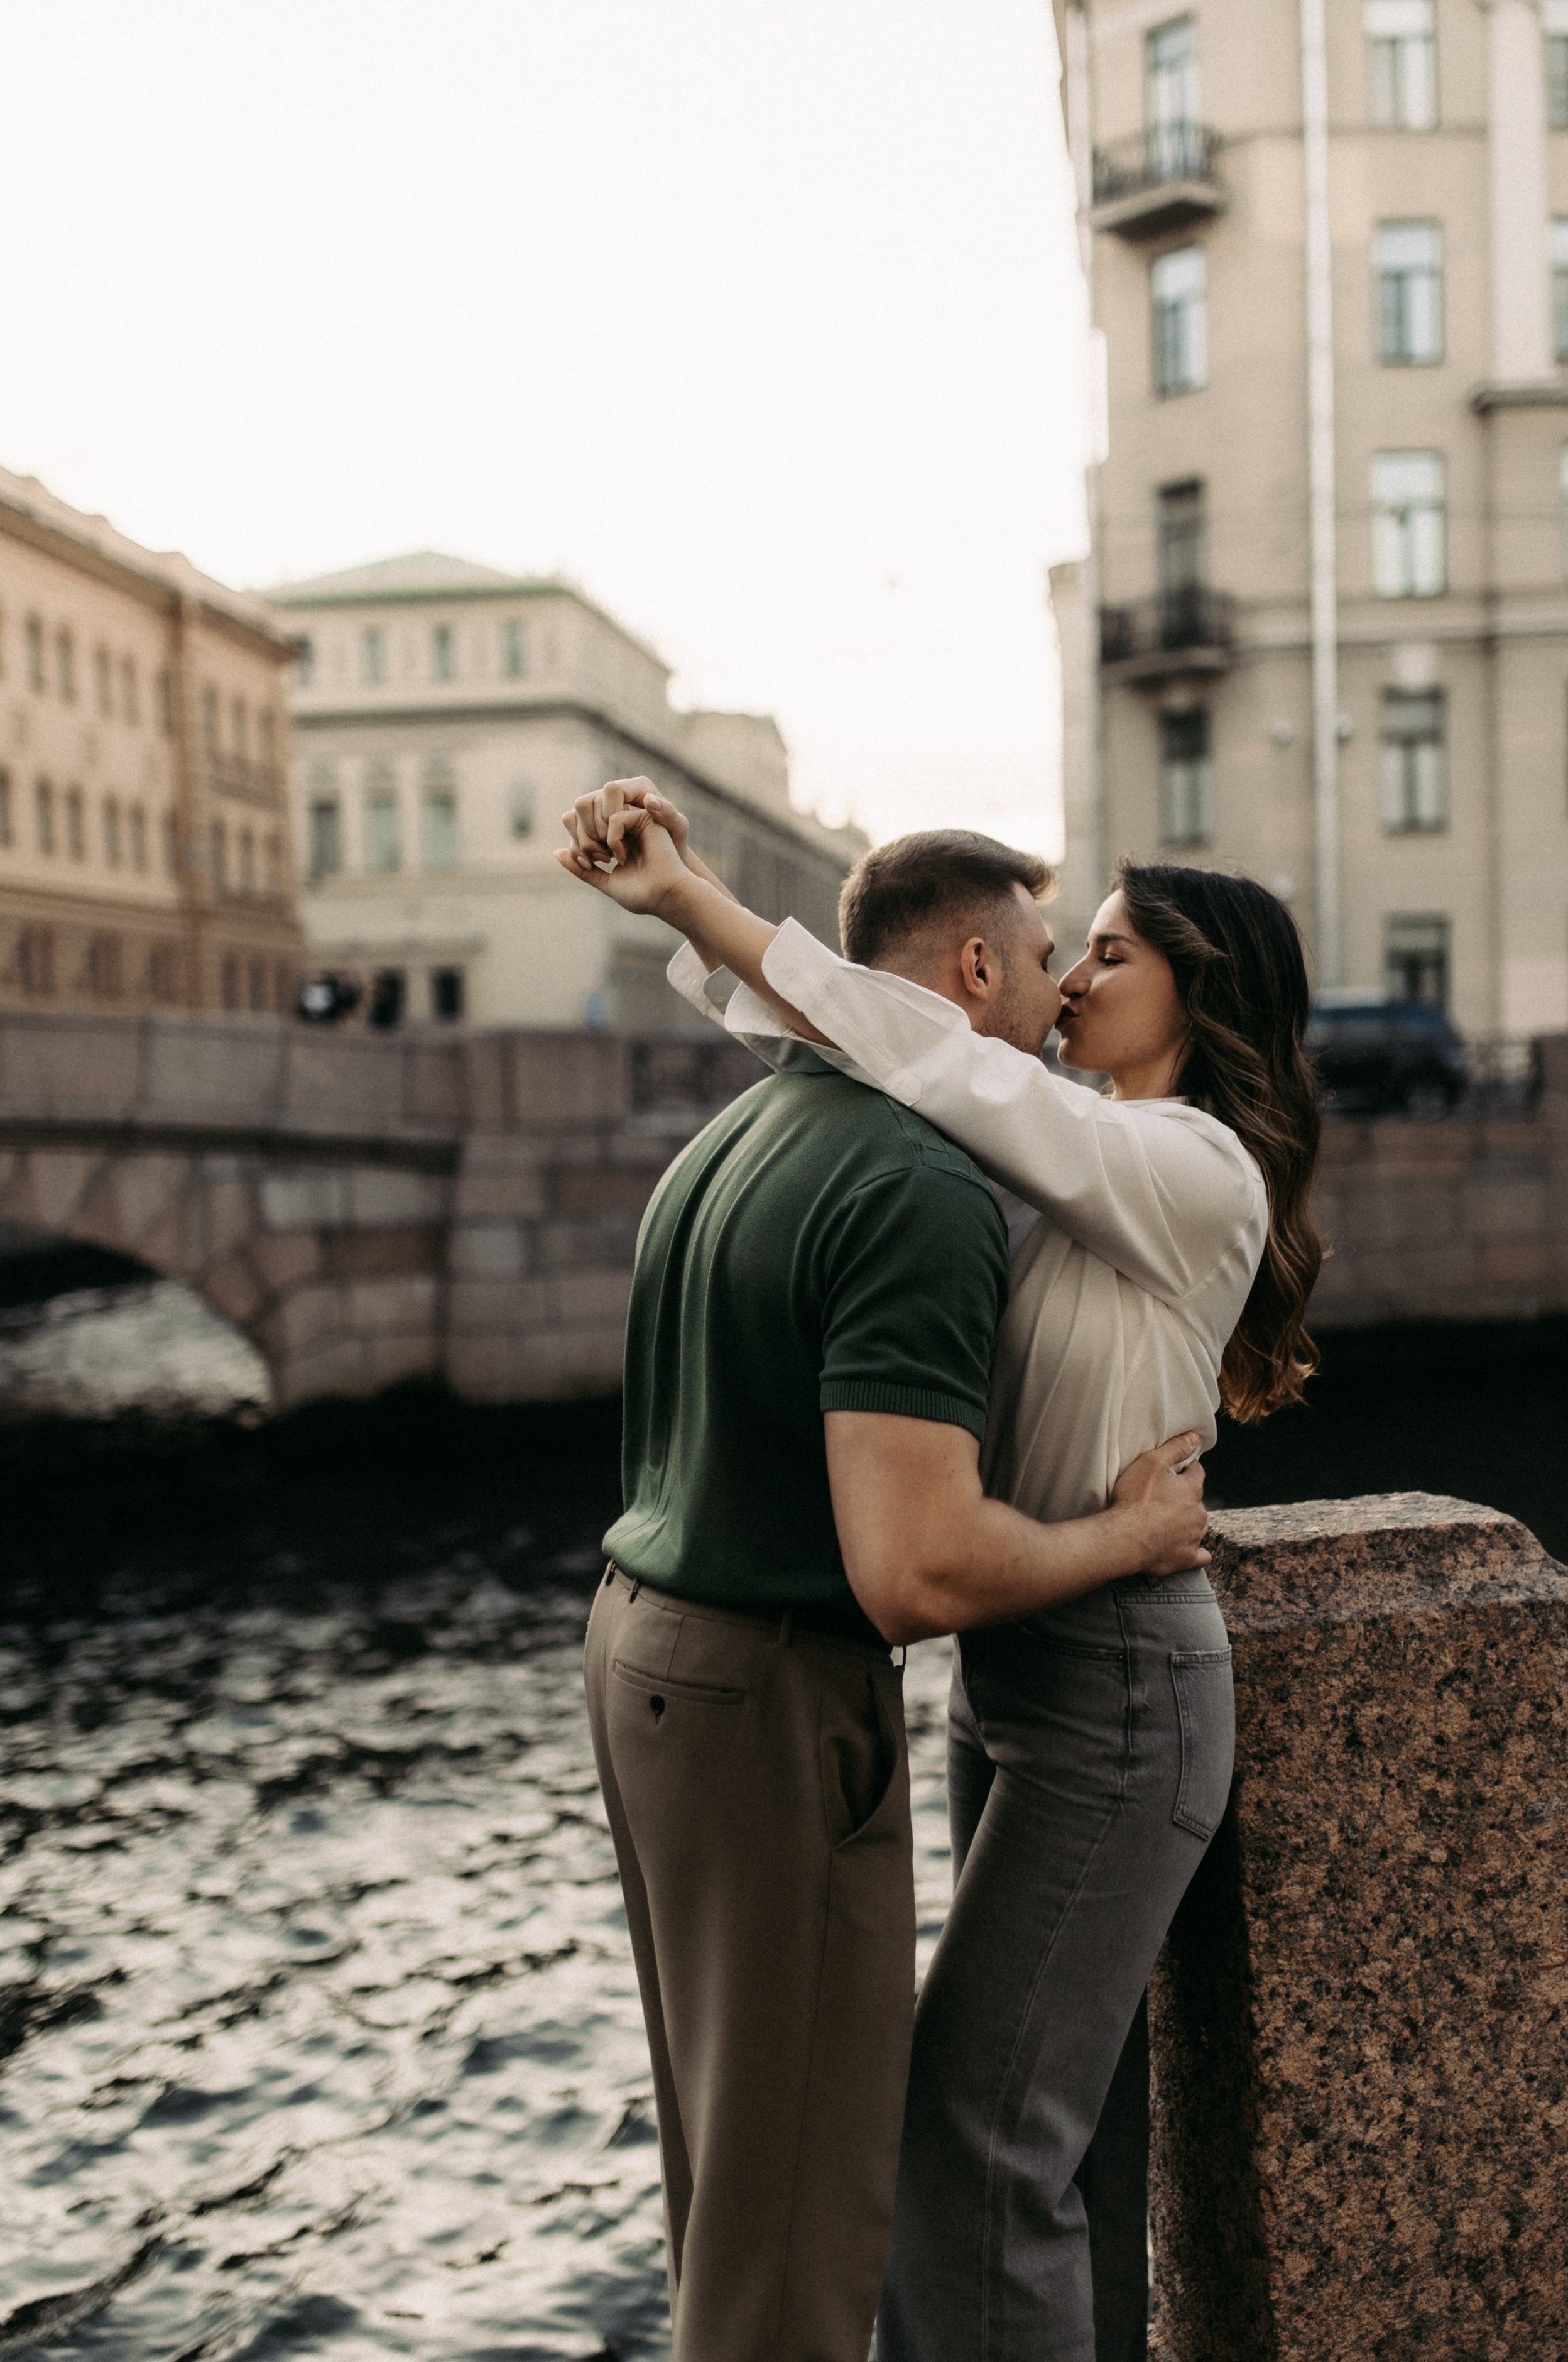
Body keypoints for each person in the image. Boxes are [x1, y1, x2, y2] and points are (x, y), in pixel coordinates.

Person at [561, 778, 1322, 2362]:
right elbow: (864, 1045)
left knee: (981, 2138)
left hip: (1119, 1672)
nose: (1072, 982)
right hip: (1016, 1661)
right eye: (1066, 948)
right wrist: (687, 918)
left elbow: (920, 1049)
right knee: (954, 2128)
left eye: (1107, 954)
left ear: (1202, 989)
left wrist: (697, 906)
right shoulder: (1073, 1141)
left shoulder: (1188, 1166)